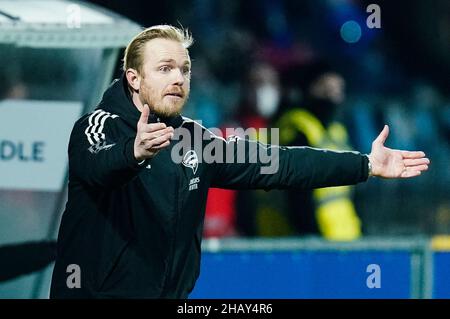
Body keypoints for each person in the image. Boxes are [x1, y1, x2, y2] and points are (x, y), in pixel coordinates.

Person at [50, 25, 430, 298]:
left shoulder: (193, 140)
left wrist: (363, 165)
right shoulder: (99, 126)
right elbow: (94, 165)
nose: (178, 78)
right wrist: (132, 154)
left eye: (184, 69)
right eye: (164, 68)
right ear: (133, 78)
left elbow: (280, 164)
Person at [276, 61, 362, 240]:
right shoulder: (296, 126)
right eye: (327, 89)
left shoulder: (337, 131)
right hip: (318, 239)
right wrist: (310, 234)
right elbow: (297, 193)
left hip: (347, 234)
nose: (334, 97)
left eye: (338, 90)